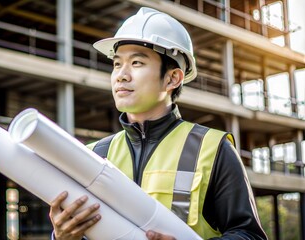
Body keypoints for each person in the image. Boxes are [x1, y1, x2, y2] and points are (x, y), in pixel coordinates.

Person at [49, 7, 267, 240]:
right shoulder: (93, 154)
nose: (121, 75)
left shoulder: (212, 149)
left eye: (137, 63)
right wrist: (61, 237)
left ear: (173, 78)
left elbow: (249, 235)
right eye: (116, 64)